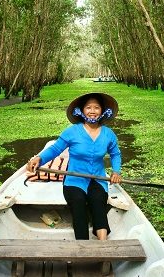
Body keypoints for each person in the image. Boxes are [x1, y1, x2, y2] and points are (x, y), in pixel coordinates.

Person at [27, 92, 122, 240]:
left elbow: (115, 154)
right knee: (78, 203)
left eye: (96, 107)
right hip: (74, 179)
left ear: (102, 111)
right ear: (82, 110)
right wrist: (39, 158)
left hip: (98, 178)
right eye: (88, 107)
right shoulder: (72, 131)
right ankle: (82, 244)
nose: (92, 111)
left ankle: (103, 243)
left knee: (98, 201)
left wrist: (116, 172)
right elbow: (55, 149)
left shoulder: (109, 134)